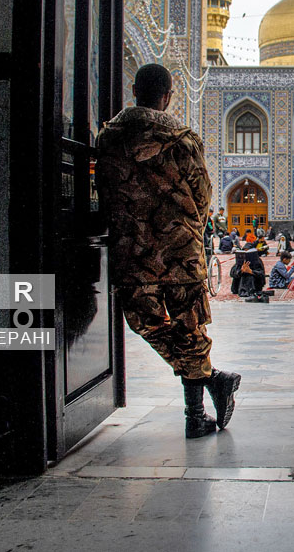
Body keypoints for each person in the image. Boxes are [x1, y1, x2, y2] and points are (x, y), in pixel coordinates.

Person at [96, 63, 240, 440]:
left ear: (133, 91)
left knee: (145, 323)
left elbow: (105, 191)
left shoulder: (108, 139)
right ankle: (208, 388)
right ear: (168, 96)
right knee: (189, 331)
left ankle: (198, 414)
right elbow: (204, 195)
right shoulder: (181, 138)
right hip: (181, 254)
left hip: (133, 254)